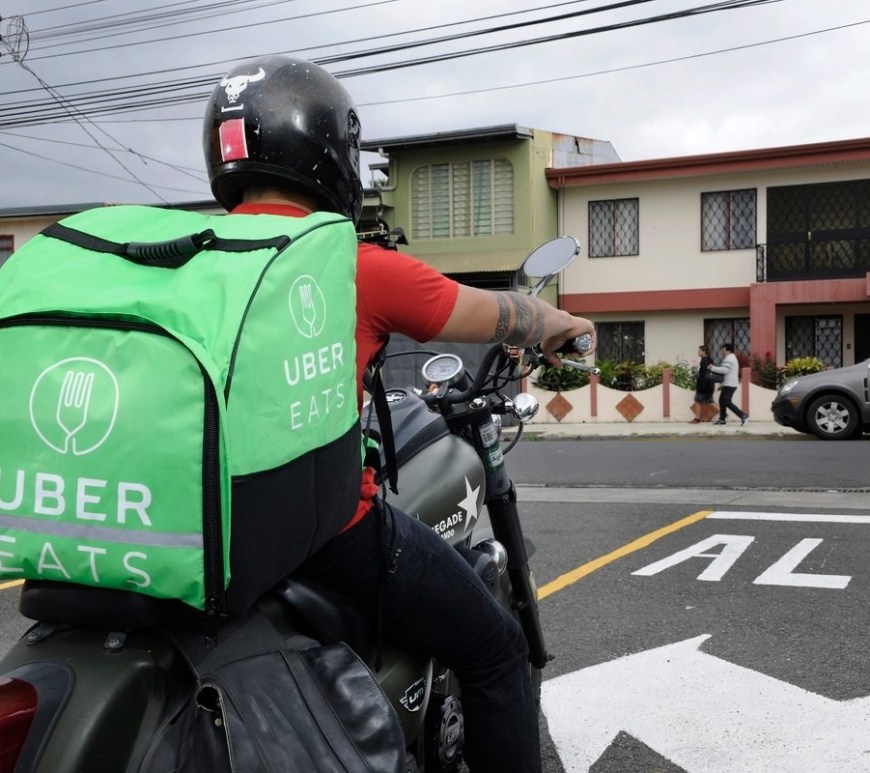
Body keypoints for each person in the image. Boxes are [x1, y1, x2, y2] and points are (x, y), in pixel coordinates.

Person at [203, 55, 596, 773]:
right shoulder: (350, 265)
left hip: (199, 527)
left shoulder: (188, 261)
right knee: (497, 651)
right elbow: (494, 314)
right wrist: (558, 321)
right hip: (320, 537)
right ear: (331, 153)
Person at [708, 342, 748, 425]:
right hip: (728, 383)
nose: (722, 352)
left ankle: (743, 415)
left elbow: (724, 370)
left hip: (730, 384)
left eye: (723, 350)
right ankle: (722, 420)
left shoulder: (729, 358)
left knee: (726, 401)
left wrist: (712, 367)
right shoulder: (730, 358)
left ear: (727, 350)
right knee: (722, 401)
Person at [689, 344, 716, 423]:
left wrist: (701, 386)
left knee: (697, 401)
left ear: (704, 352)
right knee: (710, 401)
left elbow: (704, 374)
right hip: (709, 385)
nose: (698, 352)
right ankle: (723, 413)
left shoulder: (705, 360)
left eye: (699, 351)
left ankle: (697, 419)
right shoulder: (709, 359)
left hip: (703, 386)